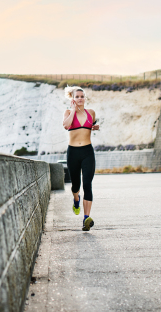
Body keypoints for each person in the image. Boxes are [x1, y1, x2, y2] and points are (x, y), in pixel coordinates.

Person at [62, 85, 100, 231]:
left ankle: (86, 218)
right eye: (77, 97)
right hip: (73, 153)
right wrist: (72, 111)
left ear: (85, 98)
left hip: (87, 152)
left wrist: (93, 128)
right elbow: (66, 125)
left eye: (82, 96)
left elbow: (90, 125)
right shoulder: (67, 112)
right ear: (73, 98)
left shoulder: (91, 112)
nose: (80, 99)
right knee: (76, 186)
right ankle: (76, 199)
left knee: (87, 184)